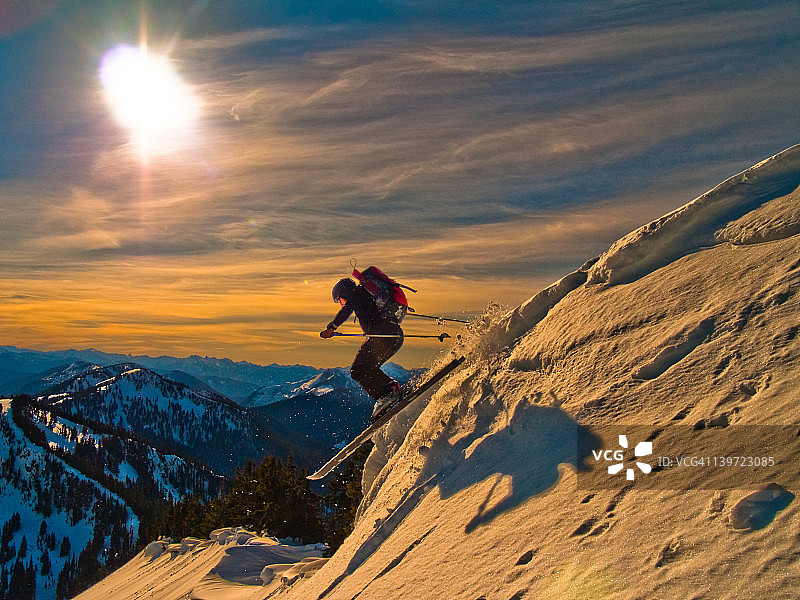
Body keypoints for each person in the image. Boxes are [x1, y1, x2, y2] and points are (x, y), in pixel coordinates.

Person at [320, 277, 403, 417]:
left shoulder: (356, 294)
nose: (341, 303)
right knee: (369, 368)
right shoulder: (366, 296)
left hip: (381, 336)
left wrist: (332, 327)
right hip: (394, 336)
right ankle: (393, 389)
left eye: (340, 299)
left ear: (345, 293)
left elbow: (346, 310)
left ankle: (385, 396)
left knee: (357, 371)